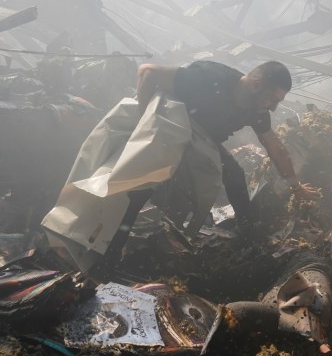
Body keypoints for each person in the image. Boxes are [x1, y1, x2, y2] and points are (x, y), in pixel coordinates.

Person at [135, 59, 320, 232]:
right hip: (171, 136)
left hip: (205, 145)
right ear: (256, 84)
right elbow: (148, 71)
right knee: (164, 192)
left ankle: (247, 231)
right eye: (272, 99)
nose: (273, 107)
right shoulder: (207, 77)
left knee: (235, 175)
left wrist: (296, 187)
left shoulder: (258, 110)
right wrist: (142, 123)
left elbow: (275, 148)